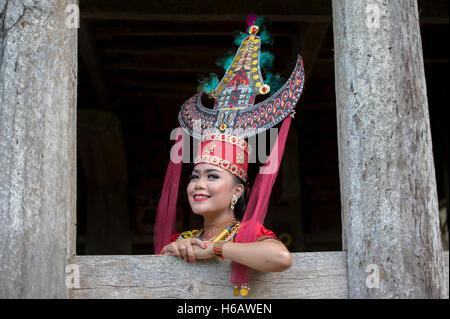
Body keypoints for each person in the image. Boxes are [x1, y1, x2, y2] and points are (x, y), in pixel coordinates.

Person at [160, 162, 292, 273]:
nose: (198, 184)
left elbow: (281, 257)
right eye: (194, 177)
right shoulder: (183, 240)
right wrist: (169, 252)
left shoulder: (247, 233)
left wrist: (214, 248)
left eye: (212, 176)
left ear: (237, 191)